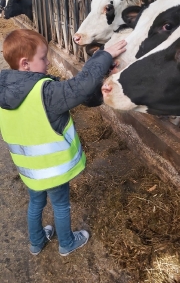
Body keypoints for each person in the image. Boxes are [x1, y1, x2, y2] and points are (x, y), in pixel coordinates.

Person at [0, 29, 126, 256]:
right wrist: (104, 55)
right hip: (53, 169)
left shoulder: (4, 92)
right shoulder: (45, 93)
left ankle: (36, 242)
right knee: (60, 204)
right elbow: (82, 86)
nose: (48, 62)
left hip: (29, 171)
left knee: (36, 203)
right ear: (25, 64)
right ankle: (66, 242)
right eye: (43, 58)